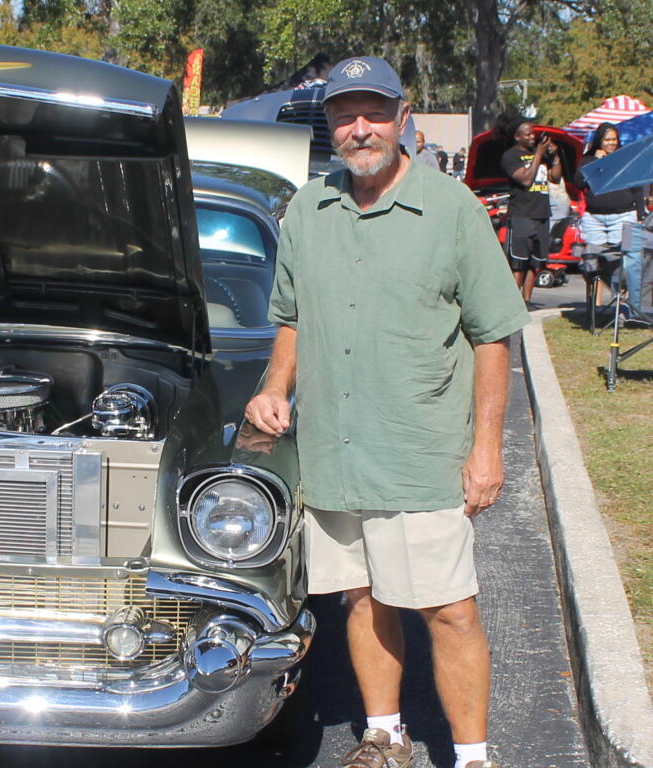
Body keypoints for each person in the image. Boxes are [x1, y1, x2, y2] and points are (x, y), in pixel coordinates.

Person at [246, 55, 528, 768]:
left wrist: (487, 449)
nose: (360, 127)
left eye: (374, 112)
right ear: (331, 124)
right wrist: (275, 385)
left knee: (449, 609)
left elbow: (493, 333)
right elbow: (291, 318)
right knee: (362, 599)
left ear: (403, 119)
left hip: (420, 450)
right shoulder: (309, 210)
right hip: (334, 454)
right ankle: (386, 733)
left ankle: (473, 757)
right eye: (345, 114)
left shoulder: (451, 208)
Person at [574, 123, 644, 309]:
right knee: (591, 263)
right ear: (599, 141)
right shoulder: (588, 160)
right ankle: (594, 306)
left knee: (622, 262)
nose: (611, 143)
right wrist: (596, 163)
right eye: (607, 140)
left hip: (622, 215)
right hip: (594, 218)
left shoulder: (625, 158)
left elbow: (637, 187)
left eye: (614, 139)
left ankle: (622, 304)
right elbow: (578, 183)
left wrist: (640, 214)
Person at [501, 120, 562, 304]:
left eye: (533, 133)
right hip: (522, 214)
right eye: (527, 134)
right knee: (518, 263)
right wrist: (538, 155)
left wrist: (555, 156)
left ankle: (526, 301)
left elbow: (556, 178)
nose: (532, 137)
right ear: (517, 137)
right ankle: (512, 303)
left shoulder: (540, 154)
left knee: (535, 263)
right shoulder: (510, 156)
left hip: (542, 214)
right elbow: (526, 180)